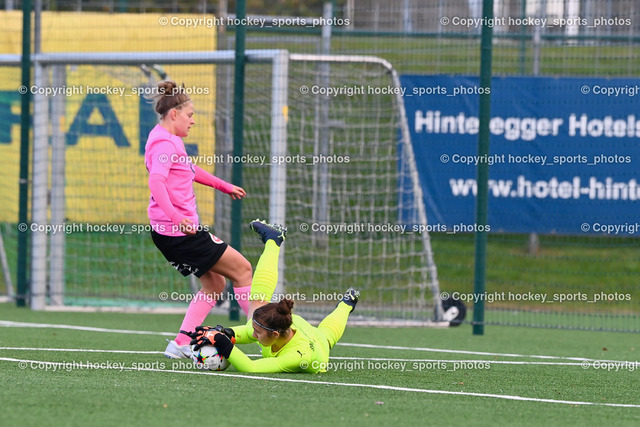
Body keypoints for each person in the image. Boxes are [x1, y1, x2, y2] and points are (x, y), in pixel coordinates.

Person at [144, 80, 253, 359]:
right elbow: (156, 181)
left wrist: (222, 185)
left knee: (215, 284)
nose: (193, 121)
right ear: (174, 114)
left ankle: (181, 342)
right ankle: (266, 334)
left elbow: (188, 169)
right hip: (179, 232)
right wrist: (176, 217)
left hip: (171, 233)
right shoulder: (165, 143)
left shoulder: (166, 139)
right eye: (190, 115)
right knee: (242, 270)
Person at [184, 219, 360, 373]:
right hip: (298, 325)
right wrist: (223, 332)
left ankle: (346, 305)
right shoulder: (272, 326)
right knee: (258, 303)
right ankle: (346, 303)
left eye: (257, 332)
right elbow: (248, 332)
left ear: (275, 334)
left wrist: (223, 343)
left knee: (327, 337)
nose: (254, 334)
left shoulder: (299, 356)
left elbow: (251, 367)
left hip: (318, 348)